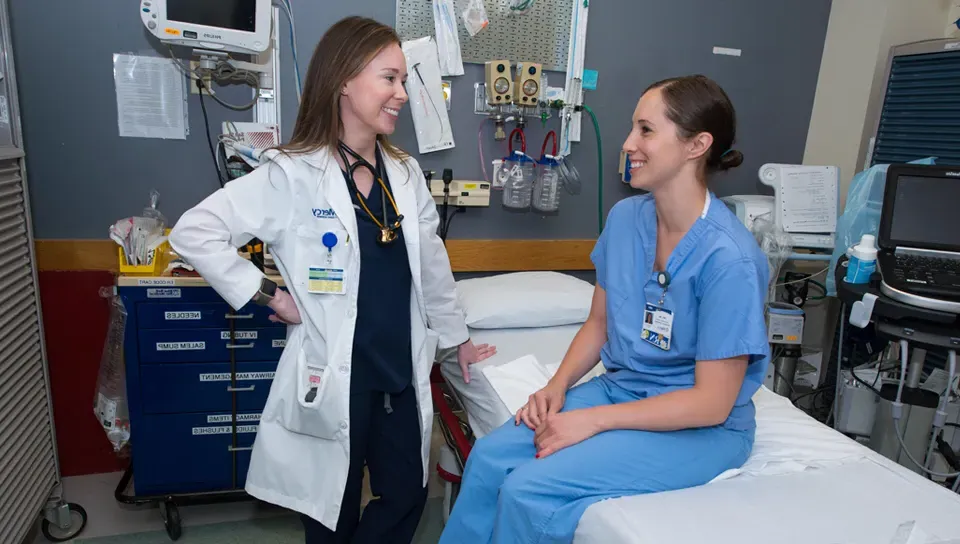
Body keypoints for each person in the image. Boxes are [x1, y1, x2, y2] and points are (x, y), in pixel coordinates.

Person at [169, 16, 496, 544]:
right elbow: (194, 231)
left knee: (407, 496)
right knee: (330, 513)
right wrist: (268, 294)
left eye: (403, 81)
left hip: (397, 370)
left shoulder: (406, 173)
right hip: (335, 376)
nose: (402, 94)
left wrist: (456, 339)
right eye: (389, 78)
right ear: (344, 79)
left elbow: (431, 262)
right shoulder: (293, 172)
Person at [438, 74, 771, 543]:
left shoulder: (729, 259)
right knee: (491, 458)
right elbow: (599, 323)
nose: (629, 143)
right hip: (622, 389)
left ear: (696, 145)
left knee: (528, 488)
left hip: (698, 427)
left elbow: (711, 402)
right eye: (633, 128)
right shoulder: (625, 219)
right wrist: (556, 387)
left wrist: (590, 420)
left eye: (646, 131)